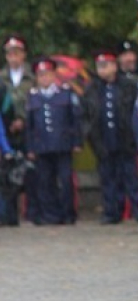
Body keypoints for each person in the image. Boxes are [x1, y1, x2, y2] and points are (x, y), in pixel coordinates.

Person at [82, 50, 138, 224]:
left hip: (125, 139)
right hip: (103, 140)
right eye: (99, 66)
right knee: (108, 179)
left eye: (106, 65)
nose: (102, 70)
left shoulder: (128, 85)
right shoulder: (92, 88)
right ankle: (111, 212)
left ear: (114, 66)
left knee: (132, 178)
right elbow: (87, 115)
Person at [26, 56, 83, 225]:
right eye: (41, 75)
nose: (44, 78)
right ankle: (49, 214)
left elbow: (75, 119)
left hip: (62, 144)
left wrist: (76, 141)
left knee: (65, 180)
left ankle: (67, 213)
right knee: (45, 181)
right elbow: (30, 125)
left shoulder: (65, 93)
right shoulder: (33, 96)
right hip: (42, 146)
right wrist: (30, 147)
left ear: (54, 75)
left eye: (48, 74)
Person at [0, 35, 36, 225]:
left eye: (17, 53)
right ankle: (10, 214)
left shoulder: (33, 77)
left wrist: (22, 119)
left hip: (30, 128)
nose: (13, 57)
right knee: (8, 173)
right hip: (6, 130)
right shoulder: (1, 77)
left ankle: (32, 210)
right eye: (10, 54)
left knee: (31, 170)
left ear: (23, 55)